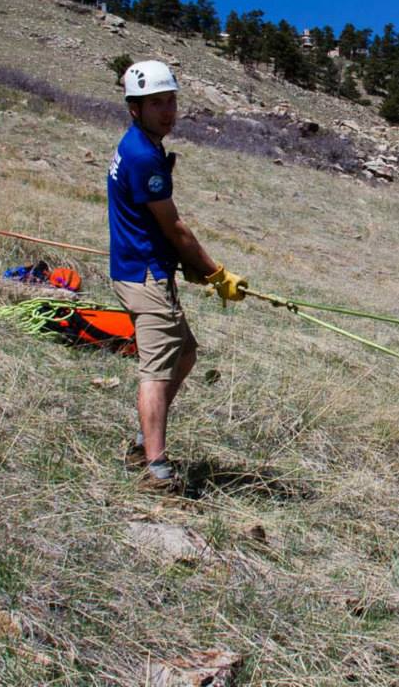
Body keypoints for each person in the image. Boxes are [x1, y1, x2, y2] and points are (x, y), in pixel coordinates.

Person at [108, 60, 248, 492]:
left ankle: (143, 442)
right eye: (157, 103)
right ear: (135, 107)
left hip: (142, 267)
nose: (168, 111)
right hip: (144, 274)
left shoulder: (139, 145)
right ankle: (155, 469)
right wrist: (215, 273)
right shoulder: (142, 157)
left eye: (171, 101)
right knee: (156, 369)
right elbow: (175, 228)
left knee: (184, 353)